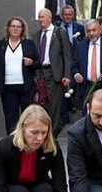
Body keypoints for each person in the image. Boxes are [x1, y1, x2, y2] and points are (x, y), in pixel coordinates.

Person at [0, 17, 38, 135]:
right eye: (13, 26)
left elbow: (38, 63)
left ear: (22, 29)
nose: (15, 29)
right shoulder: (0, 45)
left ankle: (27, 142)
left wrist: (31, 63)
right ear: (8, 28)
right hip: (7, 87)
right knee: (11, 118)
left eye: (18, 27)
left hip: (25, 87)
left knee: (28, 117)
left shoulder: (29, 44)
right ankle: (13, 143)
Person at [34, 9, 73, 138]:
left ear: (49, 18)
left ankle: (53, 136)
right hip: (40, 74)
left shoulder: (59, 32)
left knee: (54, 107)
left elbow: (67, 55)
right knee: (41, 106)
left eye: (42, 17)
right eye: (39, 17)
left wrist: (67, 75)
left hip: (54, 74)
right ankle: (43, 134)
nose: (40, 19)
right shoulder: (37, 35)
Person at [72, 19, 102, 112]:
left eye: (94, 30)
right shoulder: (81, 46)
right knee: (87, 115)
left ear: (100, 30)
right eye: (89, 31)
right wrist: (76, 74)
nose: (91, 33)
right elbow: (74, 65)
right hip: (86, 86)